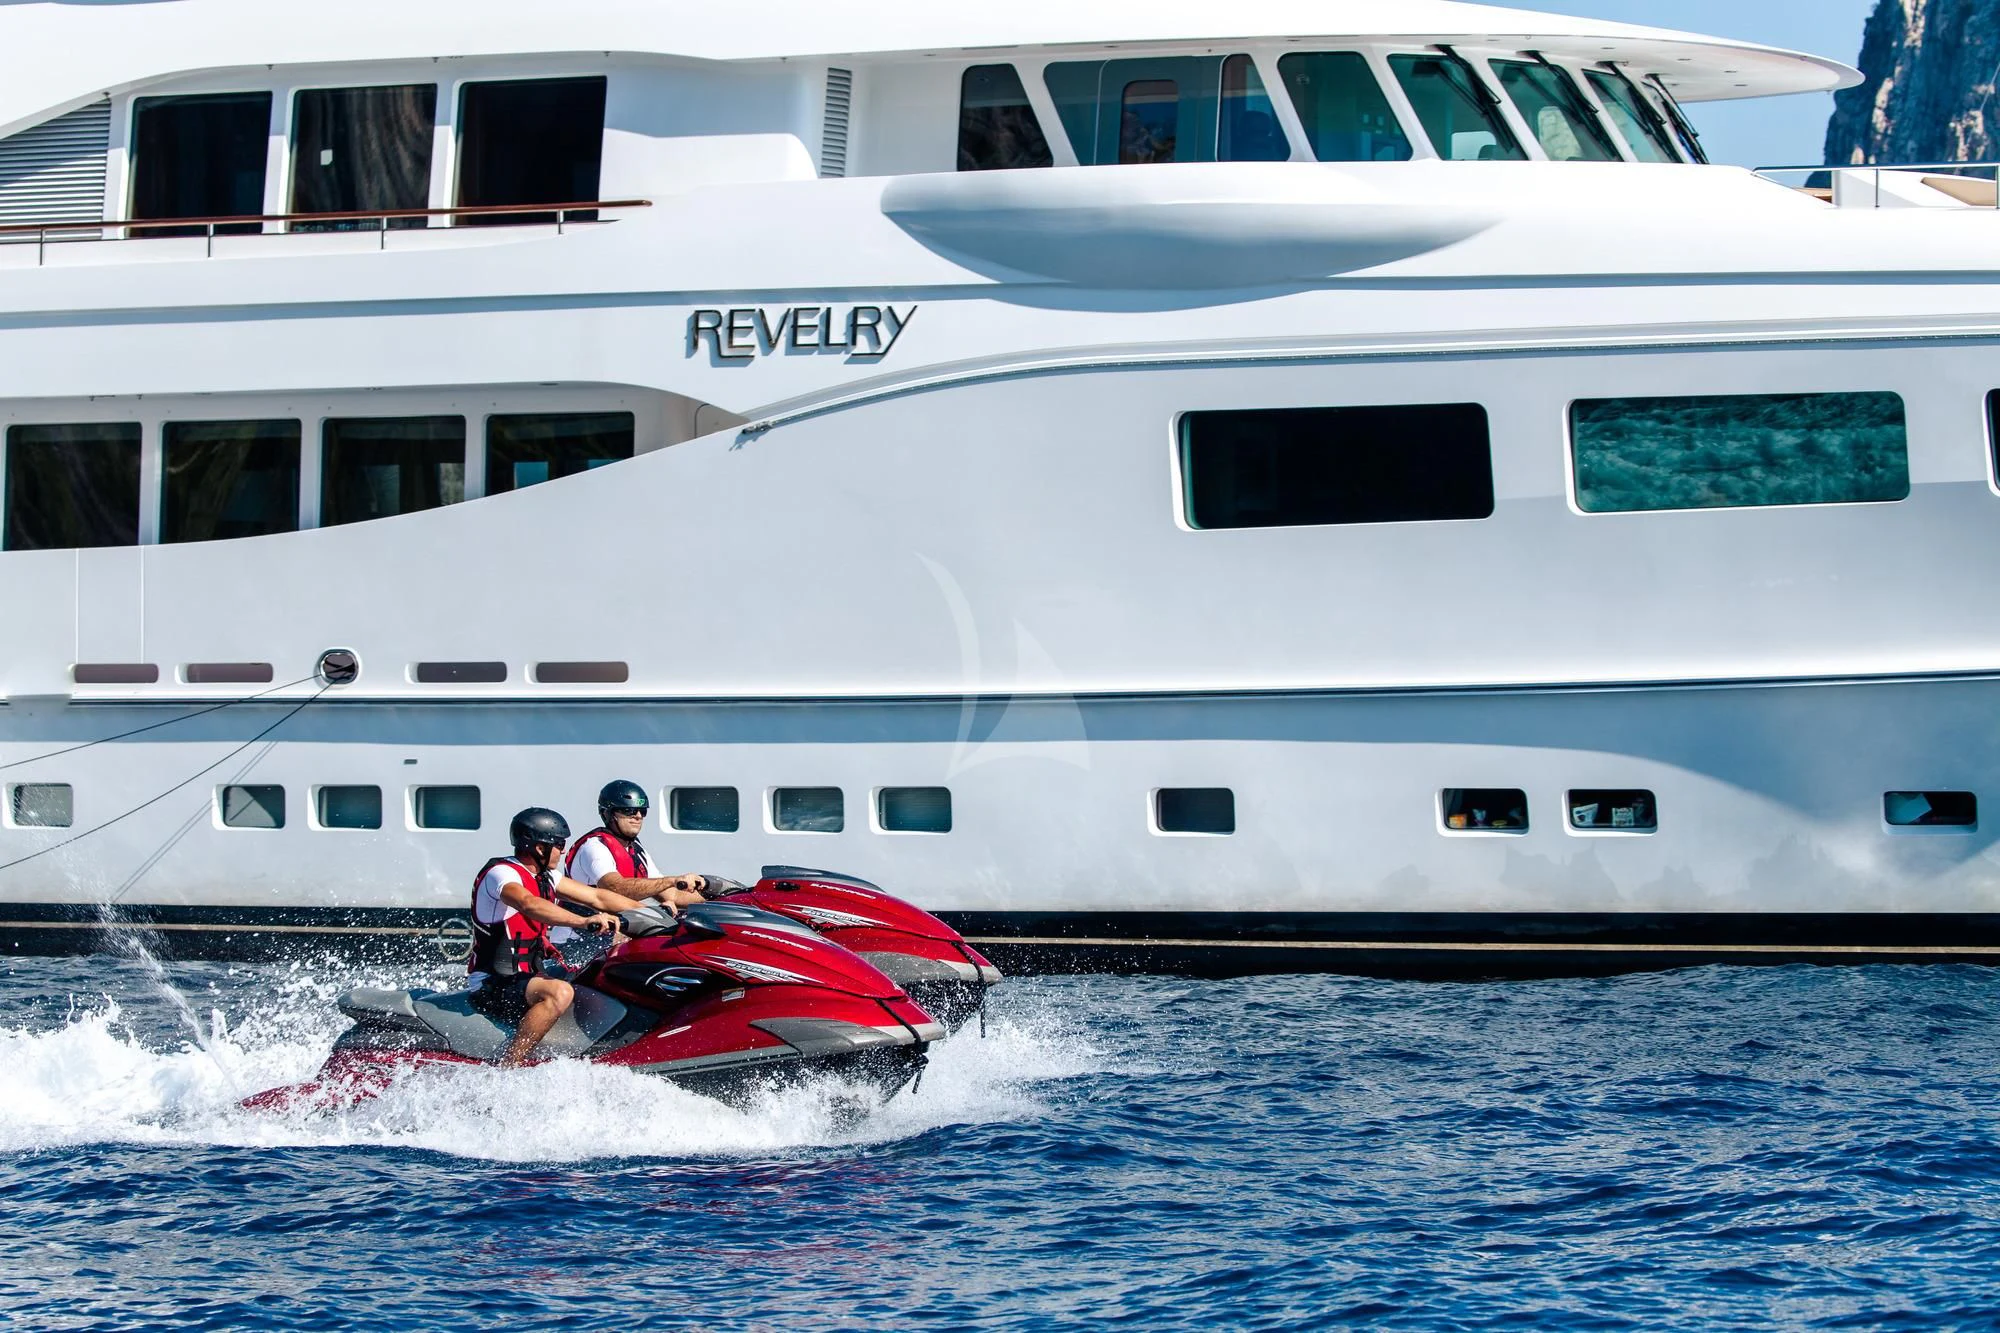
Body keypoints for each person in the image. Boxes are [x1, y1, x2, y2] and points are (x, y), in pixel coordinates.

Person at [468, 806, 642, 1067]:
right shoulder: (501, 874)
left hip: (526, 977)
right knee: (558, 993)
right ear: (540, 848)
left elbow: (598, 896)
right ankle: (508, 1068)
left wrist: (654, 915)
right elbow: (529, 904)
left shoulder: (547, 877)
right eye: (559, 844)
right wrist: (584, 921)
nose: (563, 851)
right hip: (493, 983)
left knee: (597, 973)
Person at [563, 779, 710, 910]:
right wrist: (672, 880)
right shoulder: (594, 848)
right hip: (579, 936)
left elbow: (672, 894)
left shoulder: (636, 850)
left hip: (618, 933)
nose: (638, 816)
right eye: (629, 810)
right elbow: (615, 888)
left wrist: (720, 900)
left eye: (642, 811)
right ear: (608, 814)